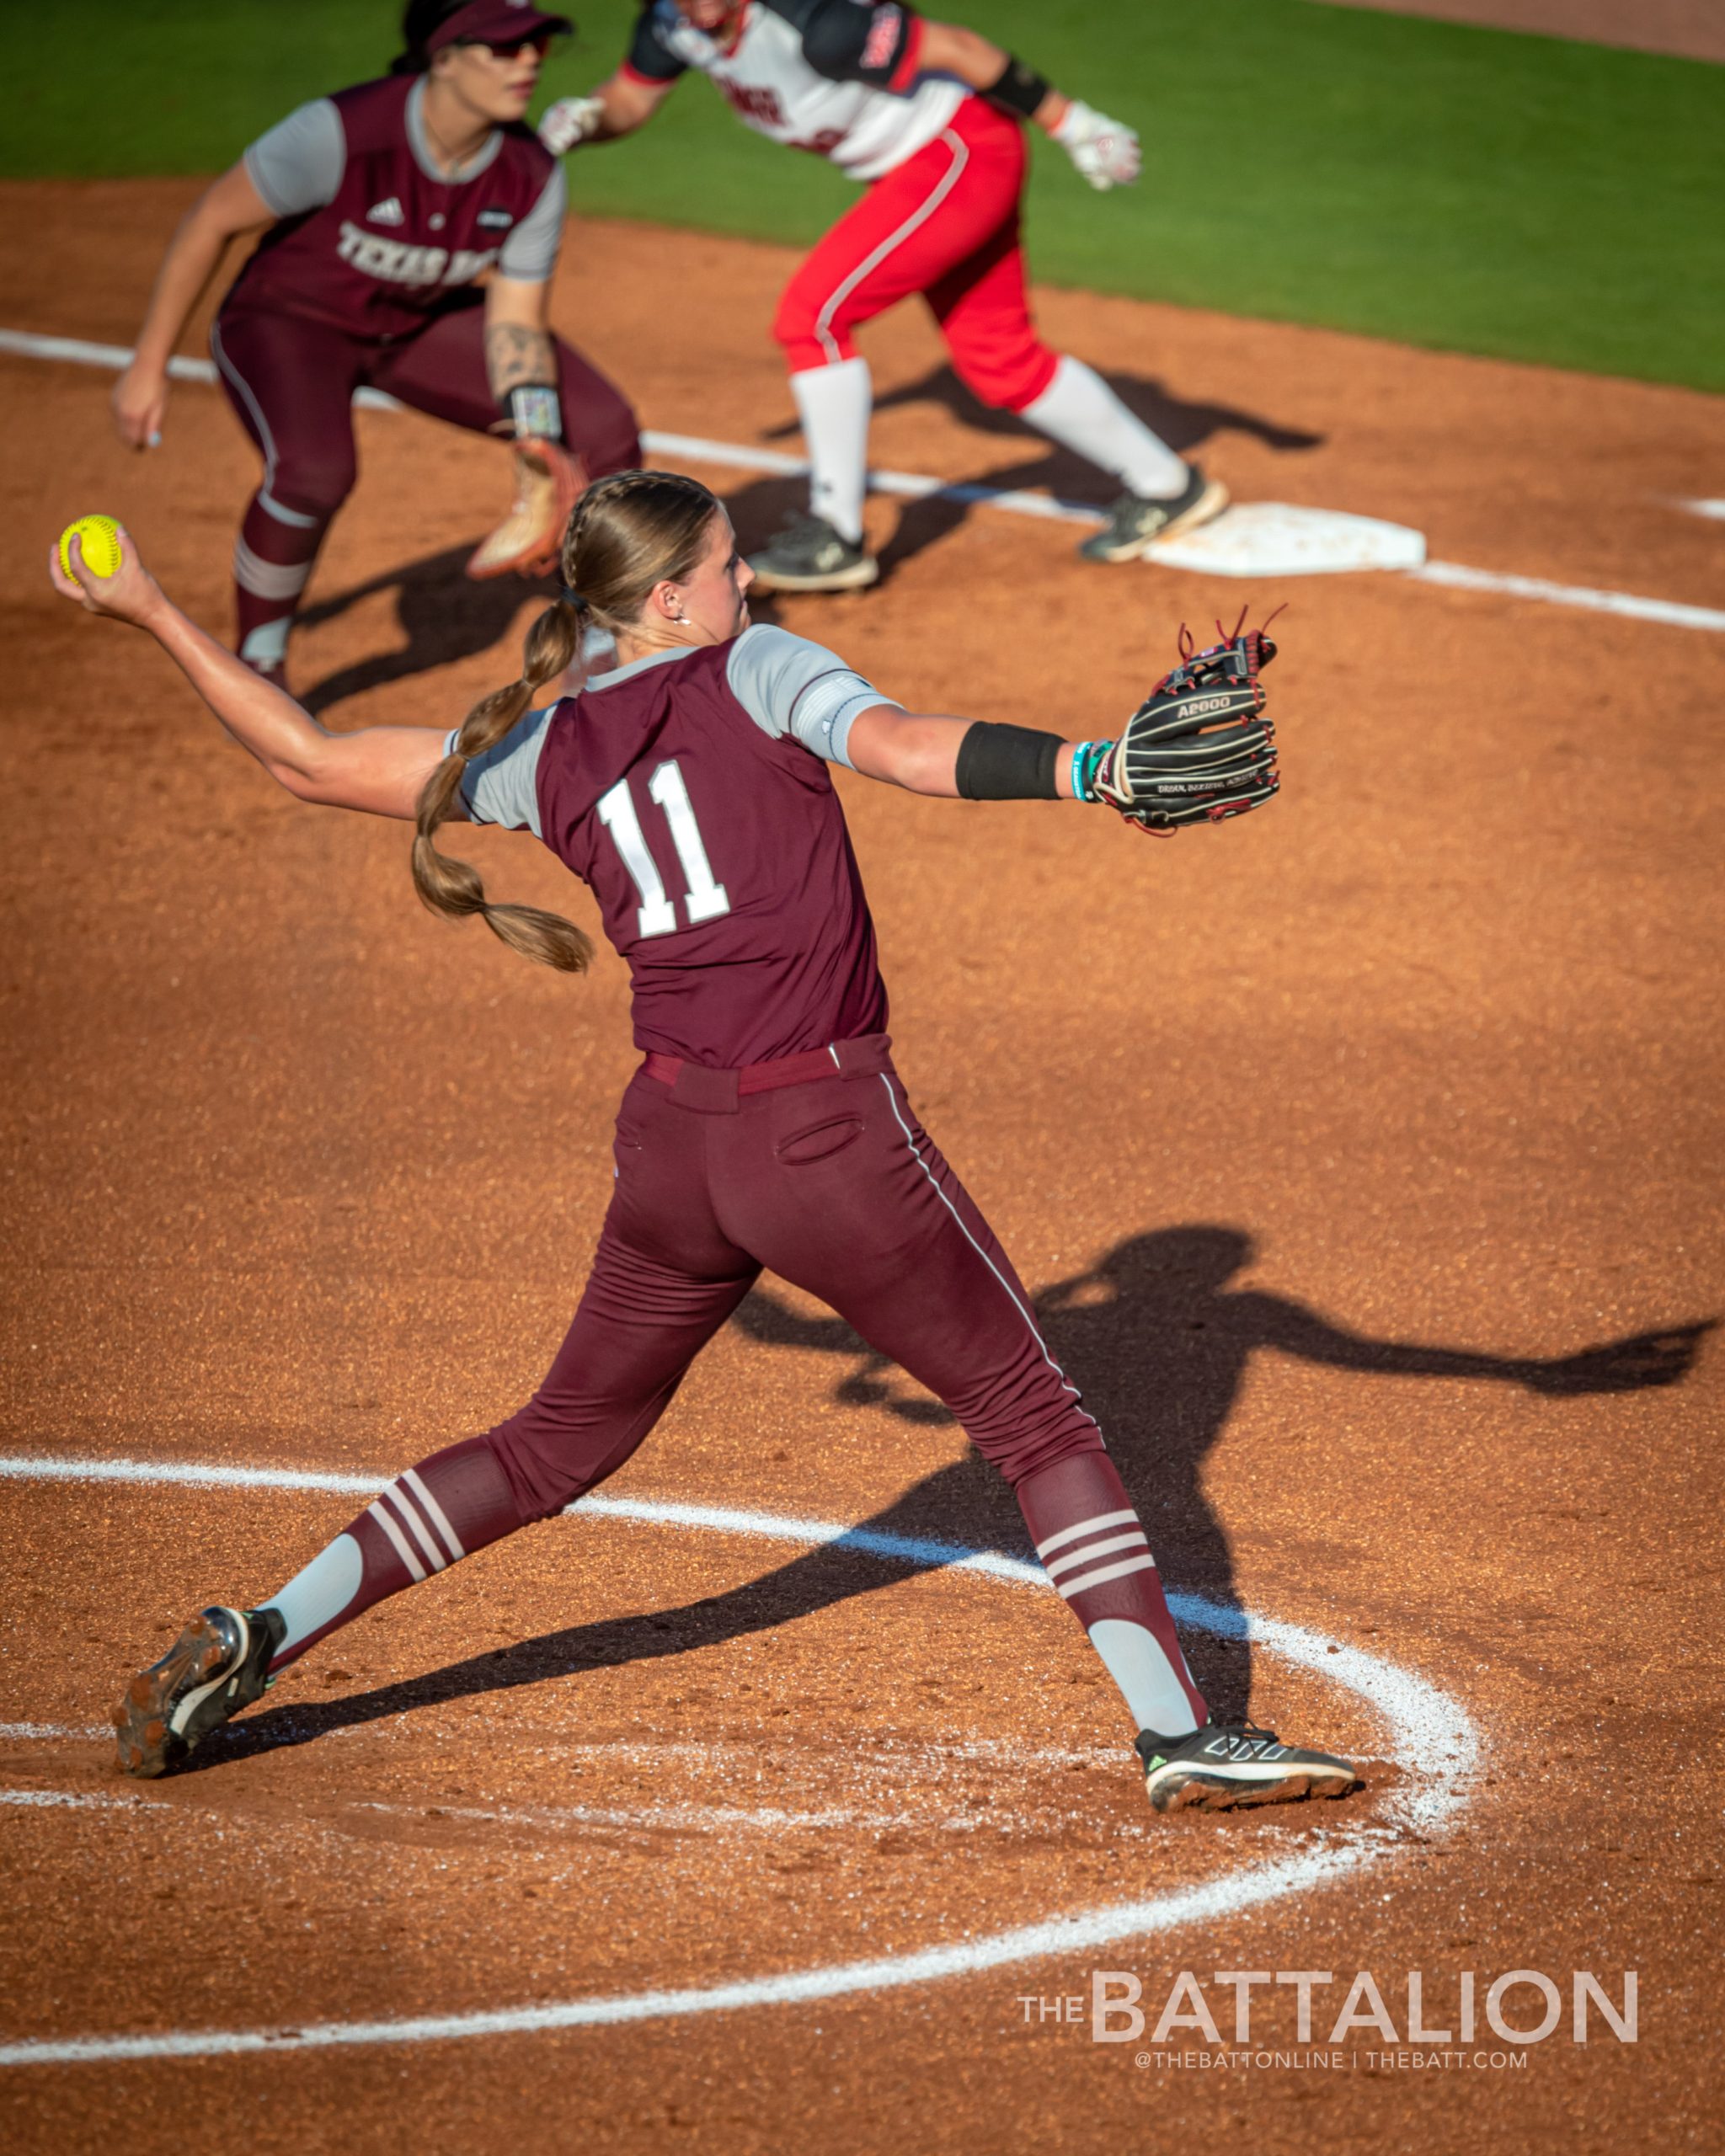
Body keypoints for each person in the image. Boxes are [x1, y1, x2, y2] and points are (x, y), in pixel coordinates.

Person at [53, 470, 1349, 1818]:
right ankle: (1181, 1734)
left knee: (552, 1443)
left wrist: (147, 604)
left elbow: (305, 759)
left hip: (674, 1153)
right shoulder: (757, 668)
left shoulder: (540, 751)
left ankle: (263, 1630)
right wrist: (1091, 768)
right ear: (669, 599)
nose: (754, 587)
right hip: (826, 1140)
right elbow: (906, 748)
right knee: (1035, 1421)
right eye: (733, 568)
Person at [539, 1, 1227, 592]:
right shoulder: (671, 24)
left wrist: (1071, 122)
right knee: (999, 358)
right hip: (922, 170)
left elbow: (960, 48)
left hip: (956, 152)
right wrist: (589, 117)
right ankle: (1170, 486)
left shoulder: (814, 19)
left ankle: (837, 533)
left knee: (814, 318)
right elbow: (630, 97)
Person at [111, 0, 642, 686]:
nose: (530, 62)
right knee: (314, 471)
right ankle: (259, 662)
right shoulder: (341, 133)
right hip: (290, 323)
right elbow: (211, 221)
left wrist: (538, 439)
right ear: (444, 57)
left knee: (602, 426)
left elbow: (515, 320)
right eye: (507, 48)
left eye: (537, 46)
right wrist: (147, 366)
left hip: (417, 327)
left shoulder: (531, 171)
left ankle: (596, 638)